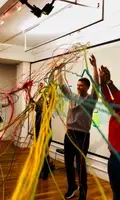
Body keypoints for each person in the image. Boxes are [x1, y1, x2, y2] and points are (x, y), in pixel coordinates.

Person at [57, 55, 99, 200]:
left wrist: (94, 67)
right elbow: (62, 87)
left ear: (87, 87)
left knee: (80, 165)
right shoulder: (73, 97)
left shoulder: (91, 99)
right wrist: (59, 70)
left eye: (82, 85)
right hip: (69, 134)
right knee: (68, 163)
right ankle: (72, 186)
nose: (79, 87)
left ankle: (83, 191)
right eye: (78, 85)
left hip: (83, 136)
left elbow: (97, 86)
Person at [99, 66, 120, 200]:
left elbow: (116, 95)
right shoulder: (115, 112)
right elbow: (106, 97)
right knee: (116, 192)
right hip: (114, 159)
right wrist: (103, 80)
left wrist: (109, 82)